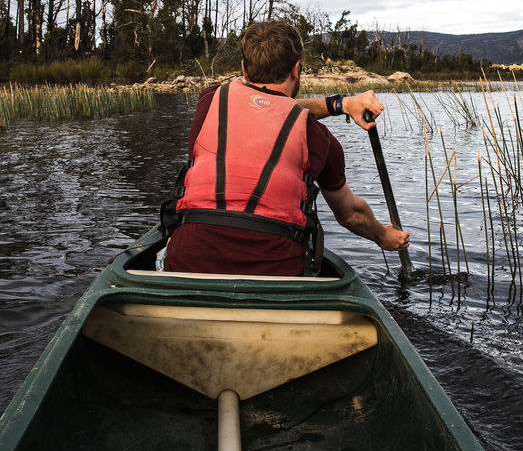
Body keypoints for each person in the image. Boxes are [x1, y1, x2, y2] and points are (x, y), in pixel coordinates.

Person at [162, 20, 411, 276]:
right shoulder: (320, 138)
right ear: (296, 69)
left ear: (244, 69)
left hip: (189, 260)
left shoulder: (209, 101)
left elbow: (265, 105)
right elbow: (351, 215)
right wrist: (383, 236)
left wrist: (341, 105)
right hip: (277, 272)